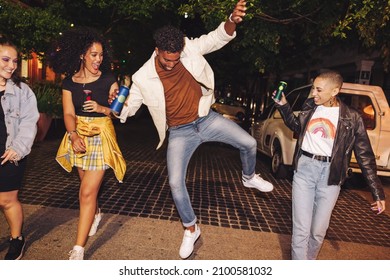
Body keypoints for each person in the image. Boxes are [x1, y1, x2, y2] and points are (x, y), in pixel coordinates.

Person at [114, 0, 273, 259]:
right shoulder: (142, 76)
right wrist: (114, 107)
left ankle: (248, 177)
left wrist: (232, 19)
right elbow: (129, 107)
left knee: (250, 144)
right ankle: (191, 228)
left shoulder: (187, 49)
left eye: (176, 59)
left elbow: (216, 38)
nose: (172, 64)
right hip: (180, 132)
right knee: (176, 183)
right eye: (167, 60)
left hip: (205, 119)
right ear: (158, 51)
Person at [273, 71, 386, 260]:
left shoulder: (352, 117)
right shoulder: (310, 106)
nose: (313, 93)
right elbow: (297, 126)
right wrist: (284, 106)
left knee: (318, 231)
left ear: (335, 91)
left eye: (318, 90)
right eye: (313, 88)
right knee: (301, 228)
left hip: (331, 175)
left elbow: (364, 155)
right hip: (305, 170)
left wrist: (377, 192)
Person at [47, 27, 126, 260]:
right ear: (82, 54)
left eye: (101, 55)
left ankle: (78, 249)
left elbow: (117, 110)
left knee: (87, 193)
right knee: (86, 189)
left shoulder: (108, 79)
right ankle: (96, 213)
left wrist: (104, 107)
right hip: (78, 135)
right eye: (93, 54)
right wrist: (73, 135)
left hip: (101, 135)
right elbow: (68, 113)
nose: (98, 59)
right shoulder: (69, 84)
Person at [0, 36, 39, 260]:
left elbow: (29, 121)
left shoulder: (22, 91)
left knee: (7, 200)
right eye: (5, 59)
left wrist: (19, 147)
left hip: (10, 153)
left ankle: (17, 239)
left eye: (14, 61)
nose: (11, 65)